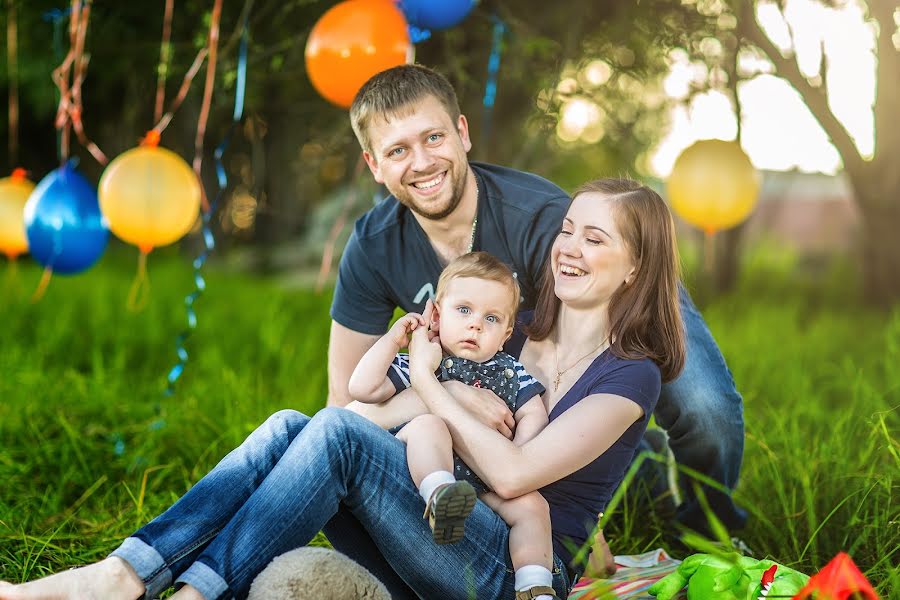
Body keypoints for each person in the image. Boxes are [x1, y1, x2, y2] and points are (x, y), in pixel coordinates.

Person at [0, 177, 686, 600]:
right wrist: (434, 394)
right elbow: (365, 411)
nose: (568, 247)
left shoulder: (631, 374)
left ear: (634, 266)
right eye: (567, 228)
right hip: (430, 528)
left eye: (594, 239)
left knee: (328, 432)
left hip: (508, 572)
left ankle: (157, 587)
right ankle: (128, 575)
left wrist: (424, 381)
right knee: (289, 425)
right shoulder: (509, 328)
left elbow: (512, 475)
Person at [329, 63, 747, 537]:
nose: (422, 162)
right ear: (375, 165)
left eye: (433, 138)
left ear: (462, 133)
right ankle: (636, 470)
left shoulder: (542, 222)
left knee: (705, 407)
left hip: (607, 309)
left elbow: (592, 328)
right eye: (399, 150)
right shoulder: (373, 245)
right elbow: (344, 399)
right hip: (480, 408)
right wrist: (445, 394)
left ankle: (708, 532)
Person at [349, 251, 558, 599]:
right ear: (436, 313)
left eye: (491, 318)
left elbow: (534, 413)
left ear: (506, 333)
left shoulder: (510, 370)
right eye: (464, 310)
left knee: (534, 507)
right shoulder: (423, 361)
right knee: (430, 426)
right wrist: (392, 340)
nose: (475, 324)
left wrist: (515, 453)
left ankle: (534, 585)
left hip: (484, 479)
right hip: (421, 469)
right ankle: (440, 495)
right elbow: (362, 389)